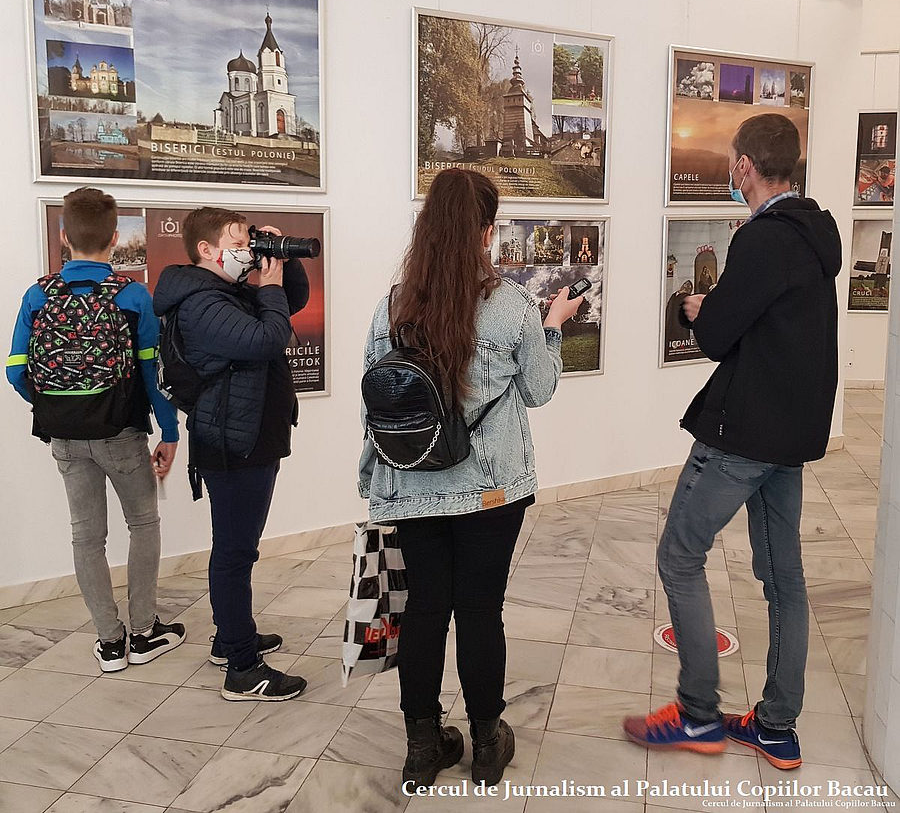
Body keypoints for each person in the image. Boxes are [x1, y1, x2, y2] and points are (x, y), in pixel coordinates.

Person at [623, 113, 841, 770]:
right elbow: (776, 326)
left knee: (679, 556)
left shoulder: (763, 239)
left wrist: (700, 311)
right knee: (784, 579)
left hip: (743, 432)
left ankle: (697, 715)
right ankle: (776, 726)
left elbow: (718, 335)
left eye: (732, 160)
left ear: (744, 166)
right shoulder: (816, 232)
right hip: (790, 435)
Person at [358, 168, 584, 790]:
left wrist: (374, 479)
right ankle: (487, 744)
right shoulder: (511, 306)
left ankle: (422, 749)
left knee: (425, 611)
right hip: (491, 488)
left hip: (412, 486)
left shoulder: (393, 306)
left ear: (427, 228)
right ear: (486, 232)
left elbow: (376, 402)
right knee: (481, 610)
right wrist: (554, 325)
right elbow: (538, 390)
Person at [6, 187, 184, 673]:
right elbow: (152, 374)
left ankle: (109, 642)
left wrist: (56, 407)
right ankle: (144, 632)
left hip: (65, 438)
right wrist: (169, 432)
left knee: (86, 537)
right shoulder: (132, 295)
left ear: (64, 236)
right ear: (115, 238)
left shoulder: (38, 295)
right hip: (121, 433)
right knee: (142, 524)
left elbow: (16, 371)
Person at [153, 207, 310, 702]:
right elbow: (268, 337)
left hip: (247, 437)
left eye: (249, 241)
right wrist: (269, 286)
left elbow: (292, 302)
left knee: (236, 549)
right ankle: (242, 668)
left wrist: (282, 262)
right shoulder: (202, 303)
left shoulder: (226, 292)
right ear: (206, 249)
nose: (247, 250)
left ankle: (230, 638)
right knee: (235, 554)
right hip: (233, 444)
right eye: (238, 242)